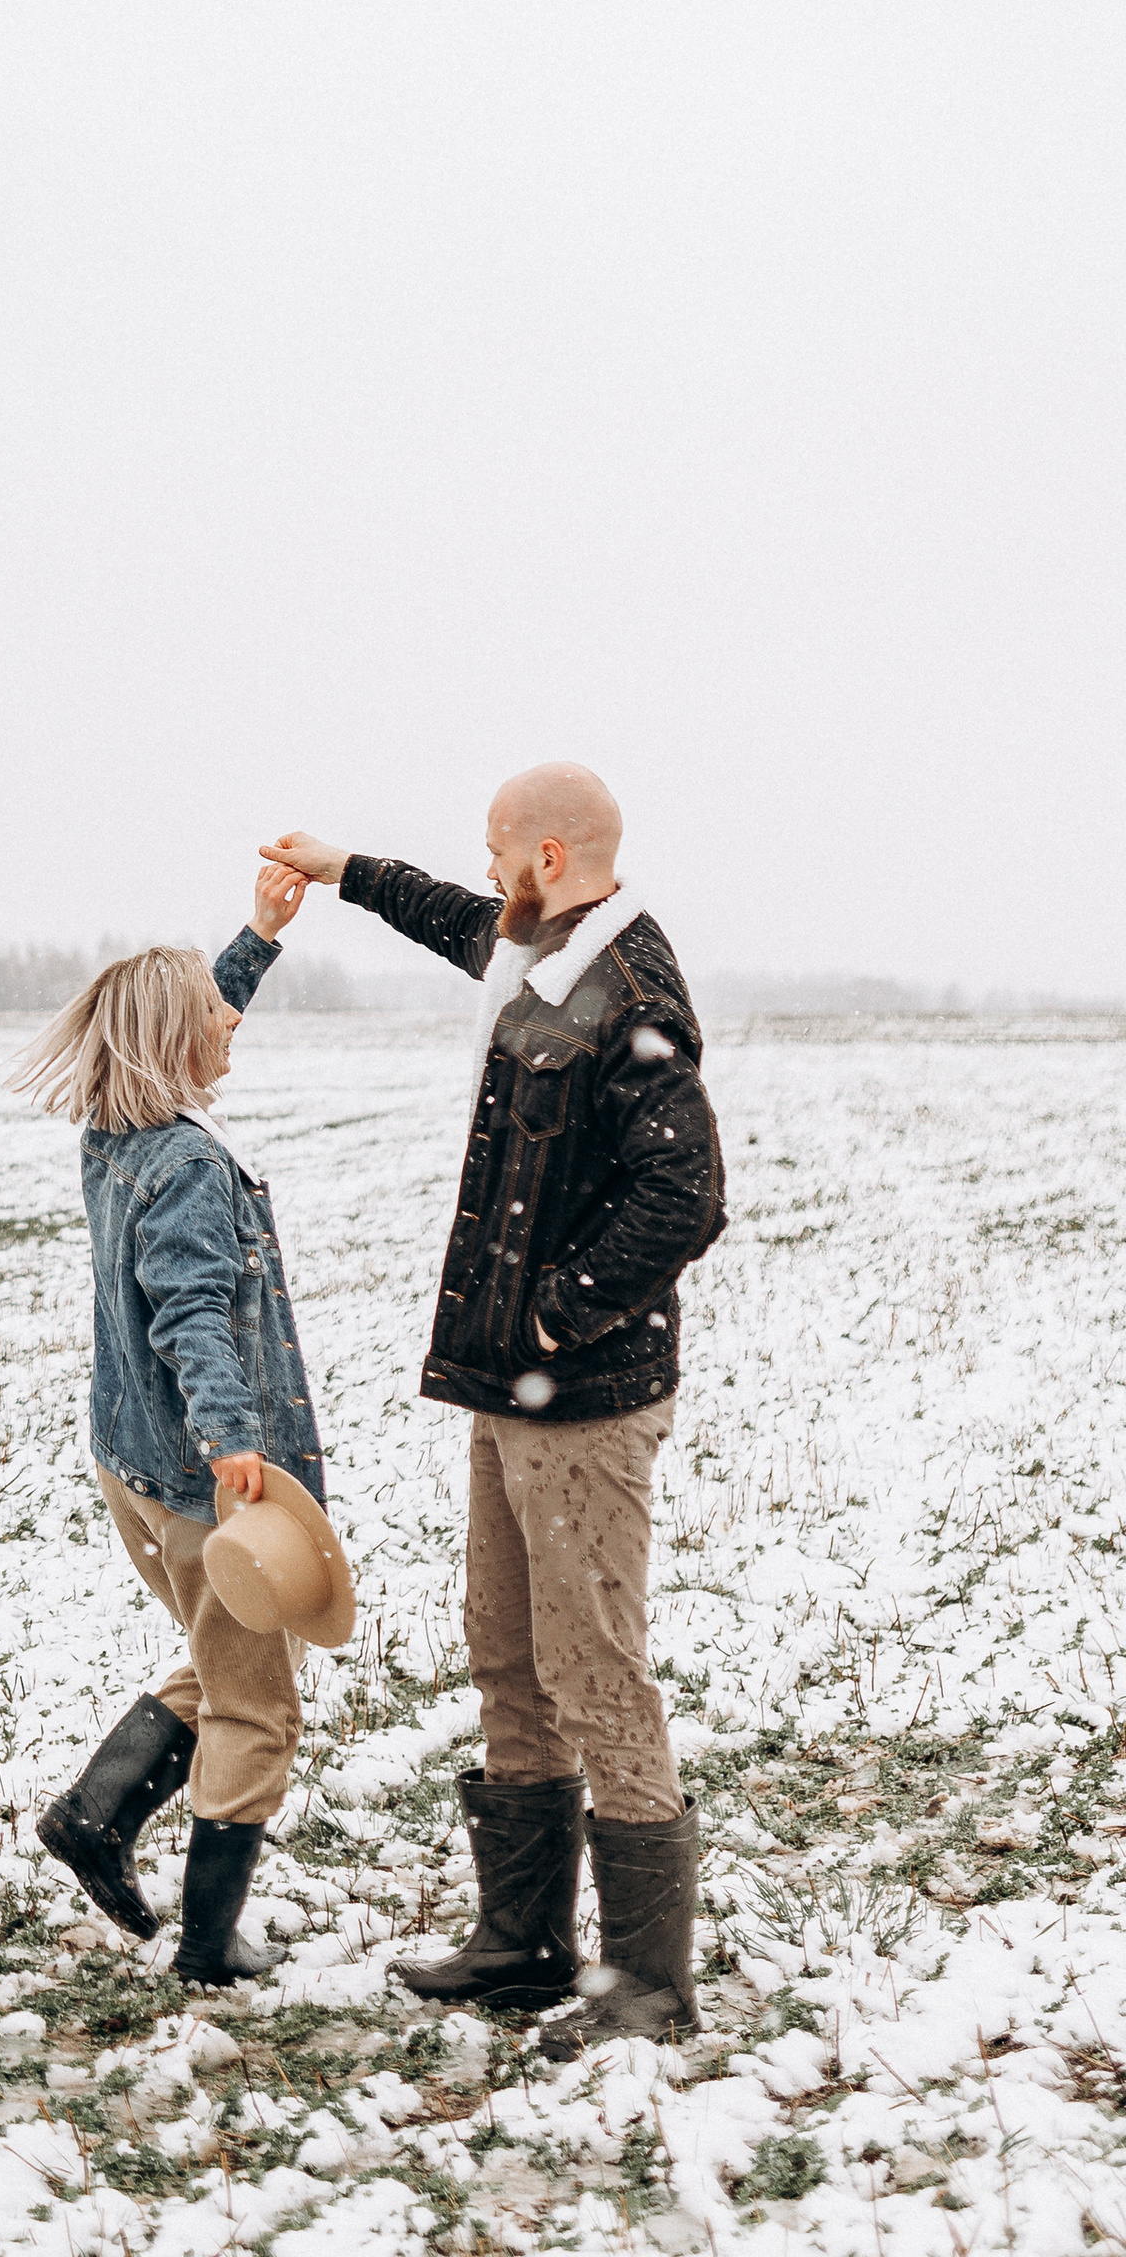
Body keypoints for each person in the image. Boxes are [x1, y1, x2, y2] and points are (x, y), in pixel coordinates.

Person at [271, 767, 725, 2050]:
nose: (482, 878)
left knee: (594, 1670)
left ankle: (646, 1985)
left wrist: (554, 1311)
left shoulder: (627, 993)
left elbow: (683, 1197)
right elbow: (443, 917)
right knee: (508, 1653)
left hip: (580, 1402)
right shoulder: (534, 950)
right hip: (505, 1392)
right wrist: (339, 867)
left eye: (491, 854)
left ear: (544, 851)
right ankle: (522, 1944)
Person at [11, 855, 328, 1988]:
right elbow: (192, 1312)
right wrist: (234, 1444)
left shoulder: (119, 1127)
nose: (229, 1027)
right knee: (257, 1706)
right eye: (214, 1015)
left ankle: (97, 1815)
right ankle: (206, 1943)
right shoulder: (188, 1162)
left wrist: (256, 935)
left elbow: (192, 1019)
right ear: (176, 1041)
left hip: (131, 1461)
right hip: (200, 1473)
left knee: (228, 1644)